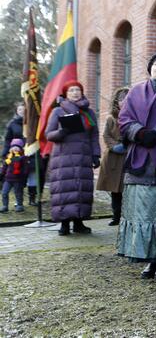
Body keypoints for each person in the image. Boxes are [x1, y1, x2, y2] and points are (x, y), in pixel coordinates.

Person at [117, 53, 156, 279]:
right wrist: (140, 133)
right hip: (139, 159)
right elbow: (124, 120)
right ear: (150, 69)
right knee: (141, 213)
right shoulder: (135, 92)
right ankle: (147, 259)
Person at [45, 81, 101, 235]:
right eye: (71, 90)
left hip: (83, 157)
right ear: (65, 94)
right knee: (64, 191)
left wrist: (96, 154)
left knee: (81, 190)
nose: (75, 93)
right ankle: (64, 224)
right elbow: (48, 134)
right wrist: (62, 132)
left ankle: (79, 223)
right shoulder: (57, 111)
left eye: (78, 90)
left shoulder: (89, 112)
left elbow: (94, 135)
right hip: (63, 158)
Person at [96, 87, 130, 226]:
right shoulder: (111, 118)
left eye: (127, 99)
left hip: (129, 157)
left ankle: (126, 216)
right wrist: (116, 146)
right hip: (114, 159)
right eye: (121, 99)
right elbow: (106, 135)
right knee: (115, 191)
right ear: (117, 101)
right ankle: (116, 216)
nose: (124, 102)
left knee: (127, 189)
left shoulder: (135, 115)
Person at [0, 138, 29, 213]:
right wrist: (1, 174)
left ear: (20, 148)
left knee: (18, 192)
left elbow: (25, 168)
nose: (15, 148)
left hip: (17, 179)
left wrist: (23, 175)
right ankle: (5, 206)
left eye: (17, 147)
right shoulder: (8, 158)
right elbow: (4, 167)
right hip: (8, 179)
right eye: (13, 147)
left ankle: (19, 205)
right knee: (4, 192)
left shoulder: (22, 158)